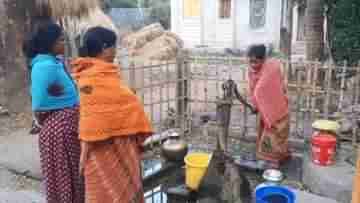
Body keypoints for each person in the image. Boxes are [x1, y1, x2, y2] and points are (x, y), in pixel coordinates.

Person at [72, 27, 153, 203]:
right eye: (114, 46)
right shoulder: (96, 77)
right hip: (108, 150)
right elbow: (130, 104)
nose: (116, 51)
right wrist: (126, 102)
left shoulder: (85, 75)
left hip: (99, 150)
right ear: (104, 48)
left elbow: (108, 103)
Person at [23, 22, 84, 203]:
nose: (64, 43)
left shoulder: (53, 62)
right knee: (65, 179)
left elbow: (62, 90)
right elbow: (40, 102)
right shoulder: (44, 67)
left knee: (73, 177)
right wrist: (60, 100)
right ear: (50, 42)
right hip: (59, 135)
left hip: (65, 131)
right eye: (61, 40)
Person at [247, 44, 290, 168]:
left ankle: (275, 162)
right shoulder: (252, 71)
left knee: (278, 135)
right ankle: (272, 161)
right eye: (250, 61)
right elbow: (252, 88)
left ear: (263, 59)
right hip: (265, 109)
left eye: (255, 61)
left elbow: (259, 90)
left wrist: (257, 100)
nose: (252, 65)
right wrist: (255, 104)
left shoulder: (271, 67)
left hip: (277, 108)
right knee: (268, 137)